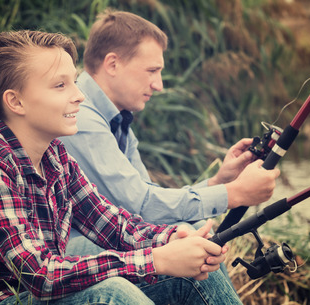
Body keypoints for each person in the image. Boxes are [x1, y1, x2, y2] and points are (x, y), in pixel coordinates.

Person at [0, 30, 242, 305]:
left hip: (36, 293)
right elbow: (41, 275)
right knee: (111, 294)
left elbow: (114, 227)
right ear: (15, 102)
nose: (79, 97)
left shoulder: (55, 155)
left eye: (74, 83)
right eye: (61, 86)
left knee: (198, 276)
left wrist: (172, 238)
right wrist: (157, 260)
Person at [60, 9, 280, 259]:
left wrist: (221, 182)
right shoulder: (83, 118)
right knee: (188, 234)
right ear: (112, 64)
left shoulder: (117, 121)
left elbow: (145, 200)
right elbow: (141, 208)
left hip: (108, 238)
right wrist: (234, 194)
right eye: (152, 71)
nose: (159, 84)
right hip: (69, 252)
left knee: (192, 230)